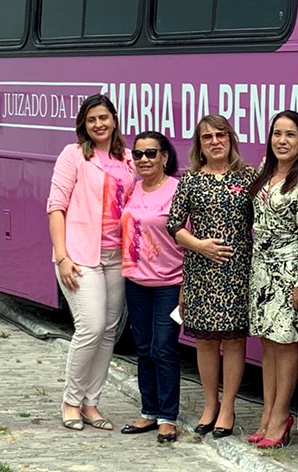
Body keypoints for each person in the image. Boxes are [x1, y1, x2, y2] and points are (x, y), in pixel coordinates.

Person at [47, 94, 135, 431]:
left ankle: (91, 403)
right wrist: (62, 256)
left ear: (114, 119)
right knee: (91, 327)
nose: (99, 125)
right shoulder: (73, 156)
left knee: (109, 331)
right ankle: (70, 401)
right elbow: (56, 206)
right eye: (91, 119)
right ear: (84, 125)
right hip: (80, 256)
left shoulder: (127, 159)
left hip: (116, 258)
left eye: (104, 117)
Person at [166, 114, 255, 439]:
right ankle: (209, 404)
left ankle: (228, 406)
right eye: (207, 137)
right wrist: (200, 246)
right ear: (199, 145)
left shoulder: (249, 177)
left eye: (221, 135)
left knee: (233, 341)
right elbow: (173, 225)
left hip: (237, 272)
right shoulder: (190, 179)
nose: (215, 141)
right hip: (200, 272)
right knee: (204, 341)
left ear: (231, 139)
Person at [247, 111, 298, 448]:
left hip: (289, 272)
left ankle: (281, 416)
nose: (282, 141)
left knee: (287, 344)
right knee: (268, 344)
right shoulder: (265, 169)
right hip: (261, 270)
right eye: (277, 133)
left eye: (290, 134)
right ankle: (266, 413)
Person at [118, 131, 183, 443]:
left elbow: (189, 239)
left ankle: (168, 417)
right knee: (143, 349)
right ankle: (149, 411)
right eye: (138, 154)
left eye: (151, 153)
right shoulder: (133, 188)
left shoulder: (177, 191)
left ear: (165, 157)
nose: (144, 159)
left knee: (164, 349)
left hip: (170, 284)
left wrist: (188, 287)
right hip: (136, 282)